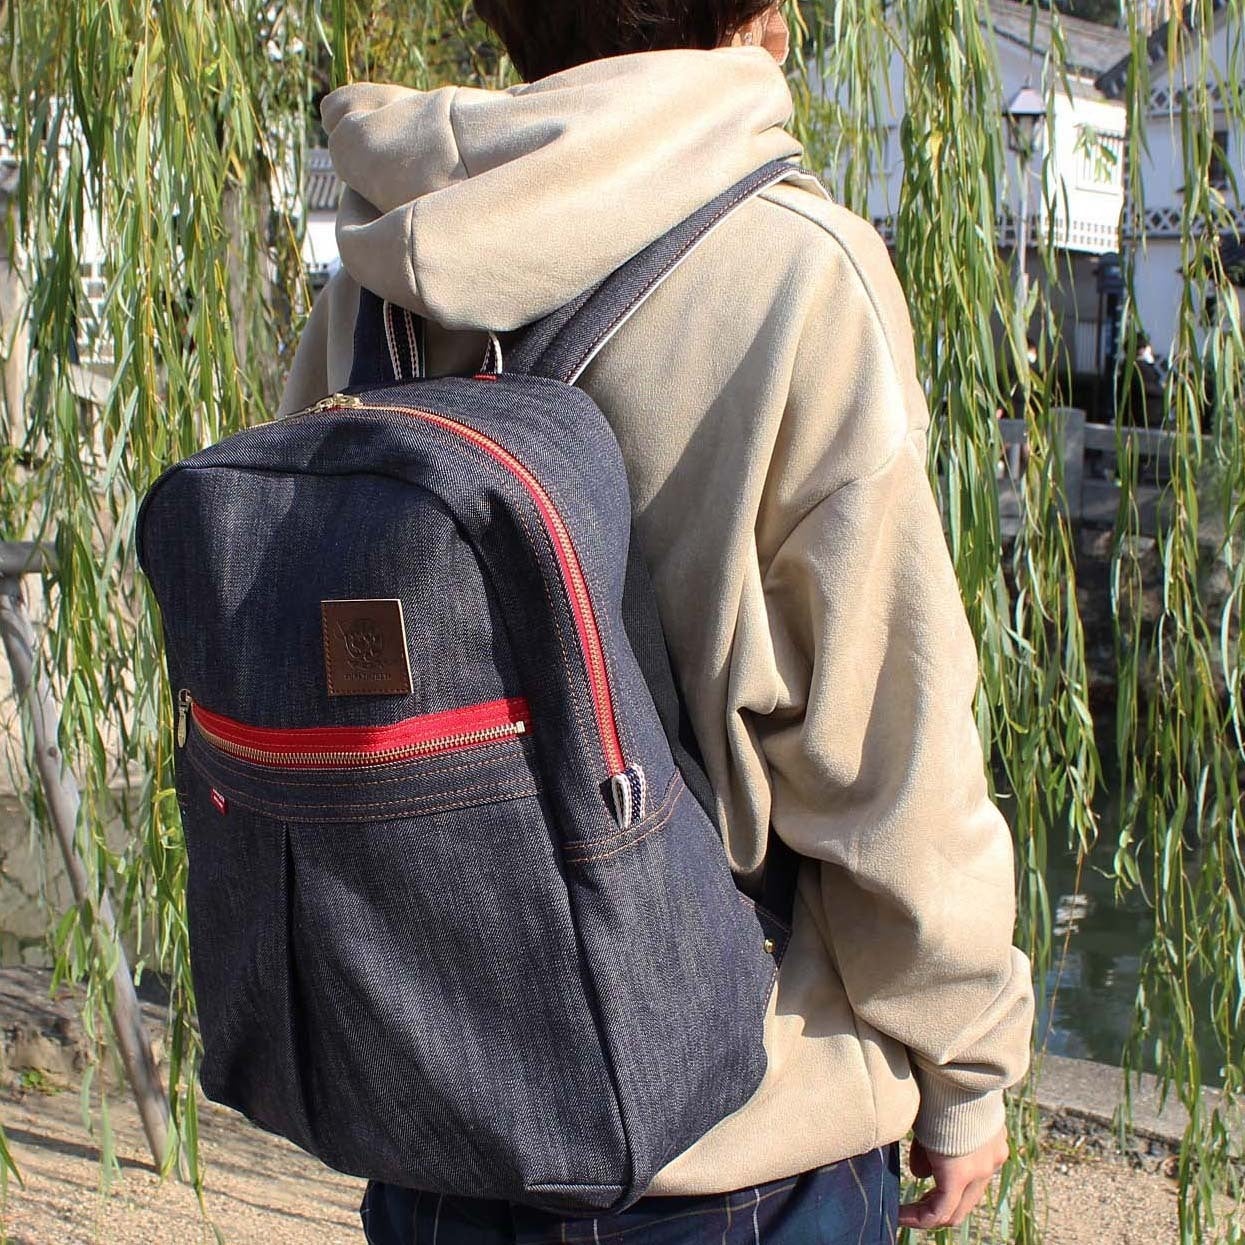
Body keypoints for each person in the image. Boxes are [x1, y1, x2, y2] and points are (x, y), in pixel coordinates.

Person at [278, 3, 1035, 1240]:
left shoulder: (375, 288)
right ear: (759, 23)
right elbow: (881, 749)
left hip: (439, 1120)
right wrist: (966, 1062)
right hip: (734, 1132)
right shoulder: (795, 271)